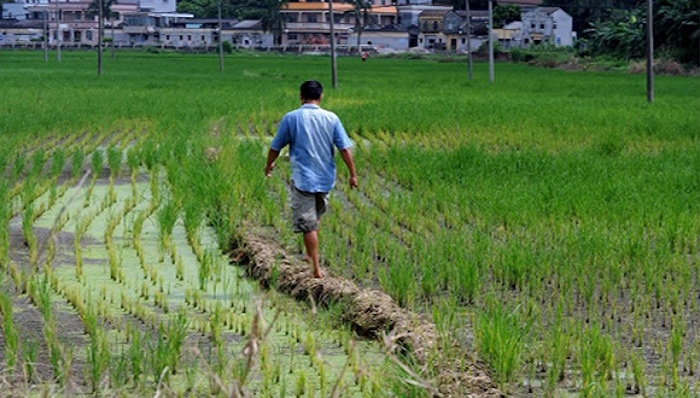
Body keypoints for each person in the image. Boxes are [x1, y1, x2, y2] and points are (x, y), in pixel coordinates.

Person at [265, 80, 358, 278]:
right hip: (325, 177)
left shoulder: (291, 118)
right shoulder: (331, 118)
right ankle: (310, 254)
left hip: (303, 178)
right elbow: (344, 148)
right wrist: (352, 174)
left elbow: (275, 147)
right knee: (314, 219)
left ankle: (315, 268)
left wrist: (269, 164)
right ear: (321, 97)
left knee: (308, 224)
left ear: (301, 96)